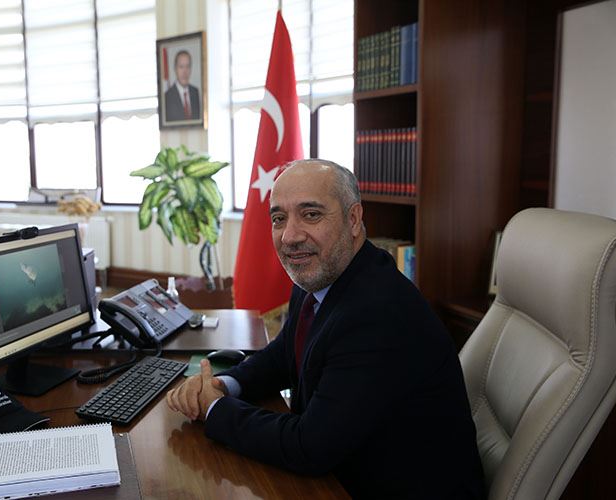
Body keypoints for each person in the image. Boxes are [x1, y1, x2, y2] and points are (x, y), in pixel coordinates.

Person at [166, 159, 485, 499]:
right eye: (279, 218)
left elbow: (309, 446)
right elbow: (284, 354)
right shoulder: (320, 275)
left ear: (353, 219)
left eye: (311, 214)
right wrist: (224, 384)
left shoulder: (377, 312)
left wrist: (215, 408)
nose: (290, 236)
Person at [164, 50, 200, 122]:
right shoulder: (167, 97)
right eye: (181, 67)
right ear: (175, 69)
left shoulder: (195, 92)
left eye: (187, 66)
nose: (185, 72)